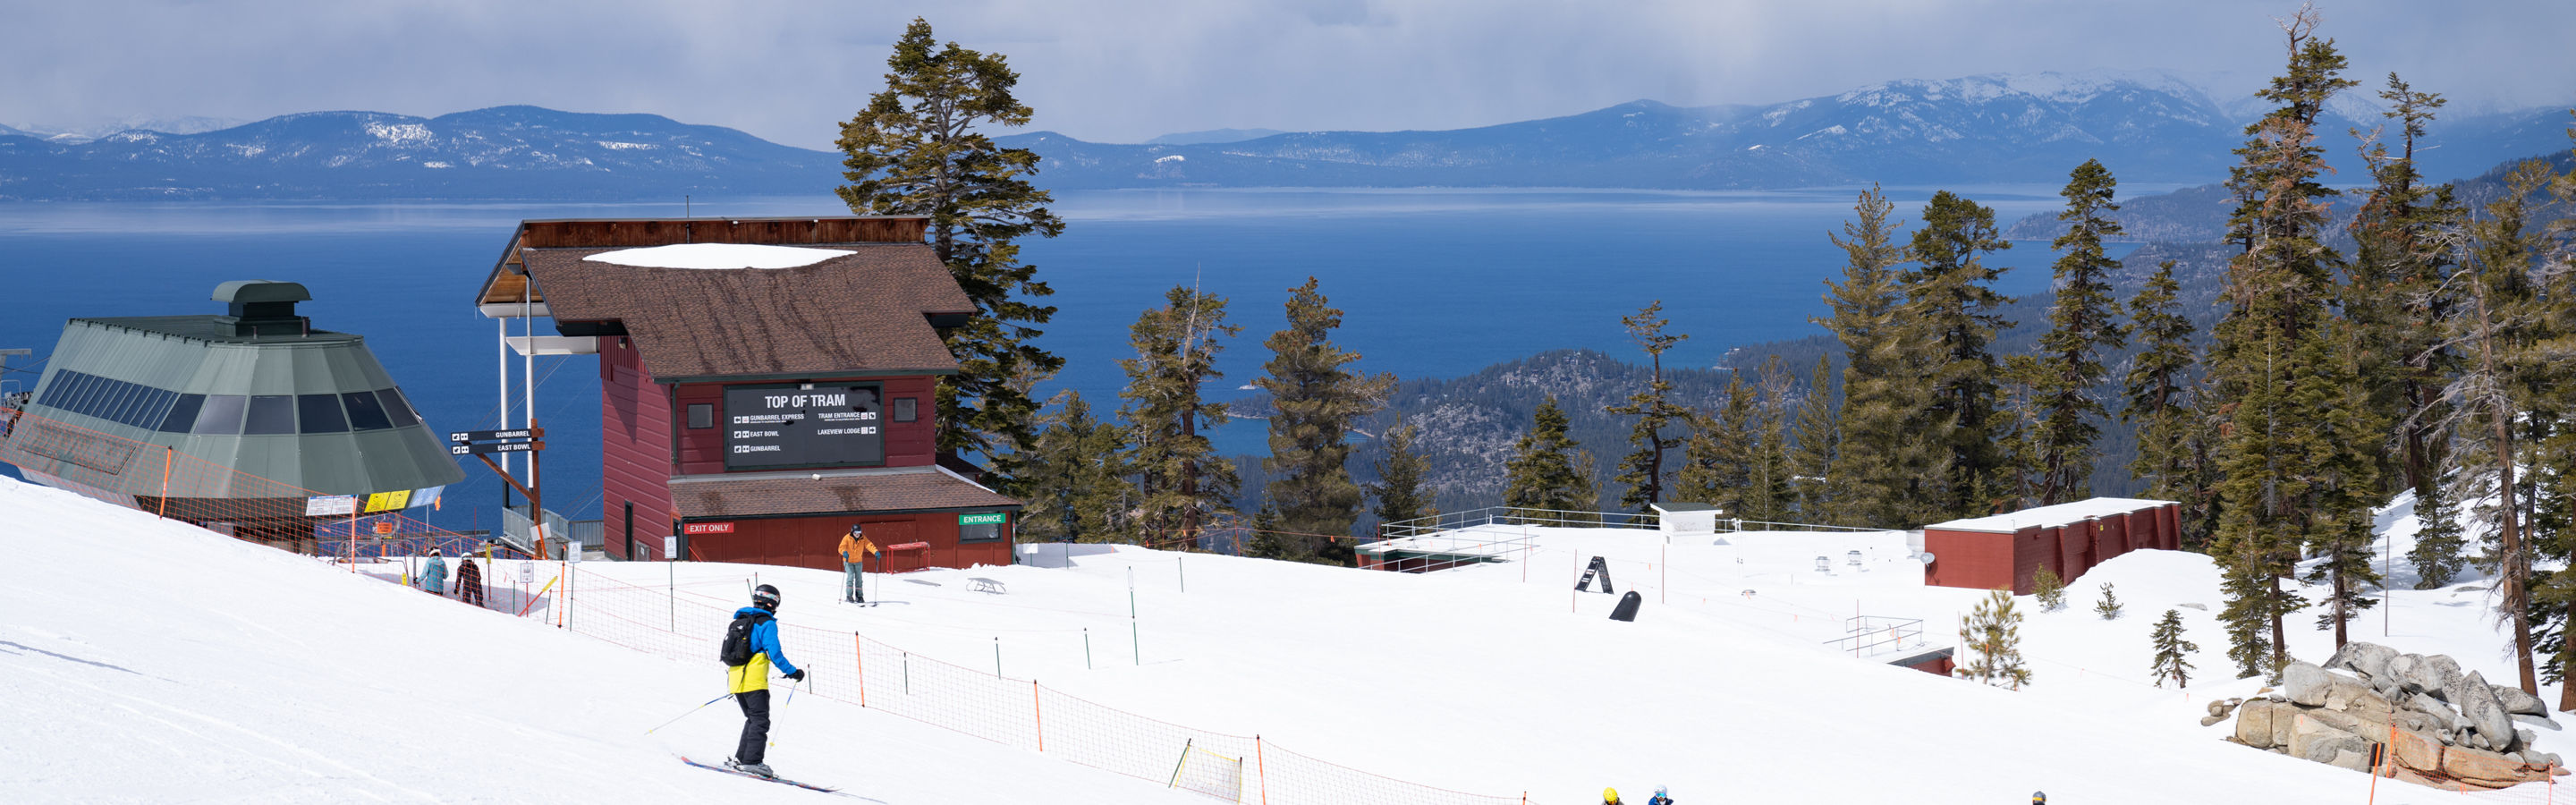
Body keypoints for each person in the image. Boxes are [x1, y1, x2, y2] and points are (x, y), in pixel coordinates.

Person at [725, 584, 804, 778]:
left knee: (753, 719)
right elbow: (774, 653)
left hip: (735, 679)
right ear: (772, 603)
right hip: (754, 680)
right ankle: (752, 762)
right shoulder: (766, 623)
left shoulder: (741, 620)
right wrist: (793, 672)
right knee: (760, 720)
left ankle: (742, 759)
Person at [837, 525, 880, 604]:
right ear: (852, 532)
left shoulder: (863, 538)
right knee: (850, 577)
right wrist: (844, 552)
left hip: (858, 561)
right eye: (856, 532)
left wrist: (875, 552)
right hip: (848, 561)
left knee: (859, 579)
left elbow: (869, 545)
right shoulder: (847, 538)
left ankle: (859, 596)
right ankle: (849, 596)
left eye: (859, 532)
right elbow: (841, 547)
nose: (858, 534)